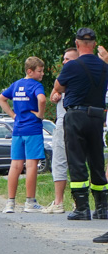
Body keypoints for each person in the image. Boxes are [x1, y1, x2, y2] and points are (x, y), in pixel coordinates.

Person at [55, 29, 108, 235]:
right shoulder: (104, 67)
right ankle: (103, 207)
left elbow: (58, 87)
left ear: (77, 44)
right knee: (96, 158)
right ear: (94, 44)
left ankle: (82, 208)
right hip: (97, 116)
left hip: (76, 115)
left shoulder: (73, 66)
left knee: (76, 160)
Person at [0, 56, 46, 214]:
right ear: (30, 71)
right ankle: (30, 202)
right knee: (31, 165)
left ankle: (10, 203)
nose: (42, 73)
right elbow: (42, 99)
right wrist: (40, 114)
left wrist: (13, 115)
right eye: (40, 71)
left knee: (15, 165)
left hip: (18, 130)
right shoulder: (36, 85)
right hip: (33, 129)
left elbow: (1, 98)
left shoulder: (16, 85)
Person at [44, 48, 78, 214]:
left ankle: (78, 201)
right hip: (61, 122)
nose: (65, 62)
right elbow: (53, 93)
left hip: (75, 122)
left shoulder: (81, 77)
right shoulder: (63, 76)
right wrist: (55, 95)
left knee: (77, 163)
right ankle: (58, 202)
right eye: (64, 59)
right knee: (58, 160)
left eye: (69, 59)